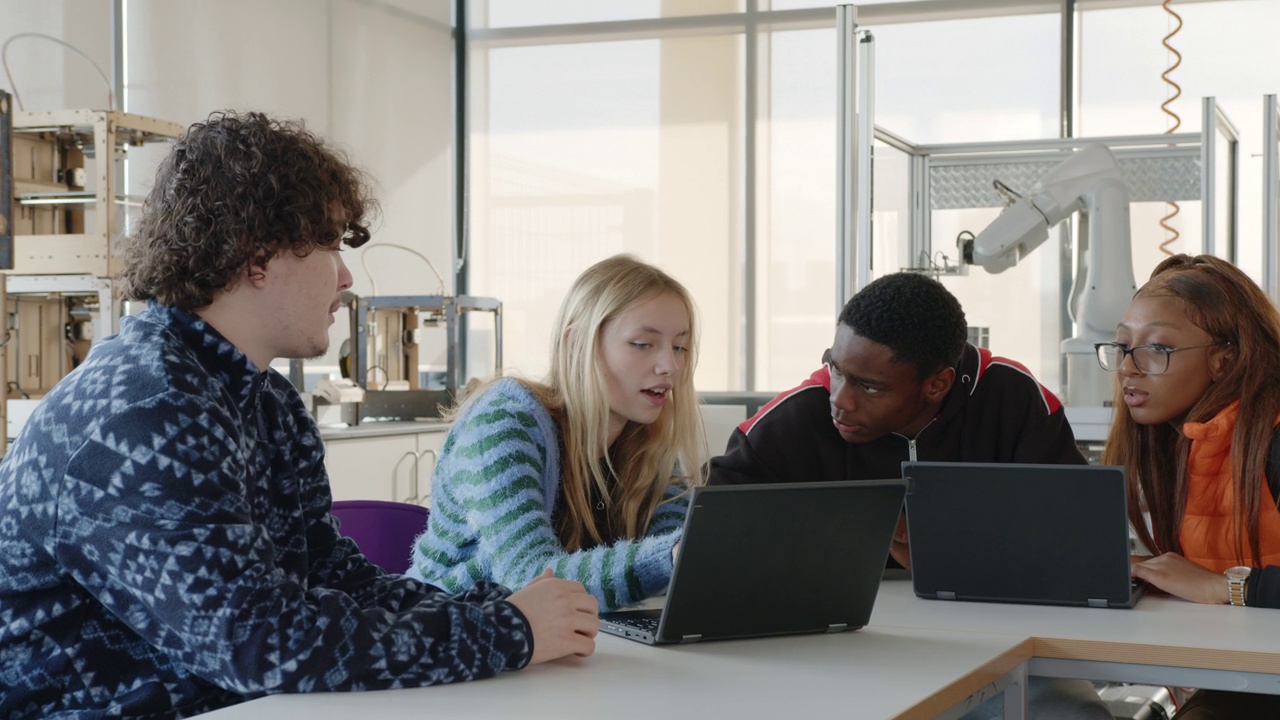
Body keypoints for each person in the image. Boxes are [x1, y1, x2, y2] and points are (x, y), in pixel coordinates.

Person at [0, 111, 598, 719]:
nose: (344, 277)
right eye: (331, 245)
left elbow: (334, 579)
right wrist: (509, 633)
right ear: (256, 255)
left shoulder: (264, 399)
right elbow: (261, 644)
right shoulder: (148, 409)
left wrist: (496, 611)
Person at [709, 271, 1111, 720]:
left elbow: (1080, 549)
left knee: (1073, 717)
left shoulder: (1014, 400)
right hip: (839, 649)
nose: (840, 399)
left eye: (869, 385)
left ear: (936, 385)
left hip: (999, 642)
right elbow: (708, 544)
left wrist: (964, 558)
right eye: (835, 369)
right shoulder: (793, 420)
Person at [409, 254, 704, 612]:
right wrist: (671, 557)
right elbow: (532, 580)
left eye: (680, 347)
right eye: (643, 344)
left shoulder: (649, 443)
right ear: (577, 343)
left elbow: (676, 553)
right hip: (450, 633)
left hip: (564, 645)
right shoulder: (501, 423)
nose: (670, 366)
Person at [1102, 254, 1280, 718]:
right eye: (1123, 346)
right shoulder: (1181, 442)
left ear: (1226, 359)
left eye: (1157, 348)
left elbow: (1219, 586)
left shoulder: (1274, 440)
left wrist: (1227, 588)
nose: (1127, 367)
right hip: (1249, 678)